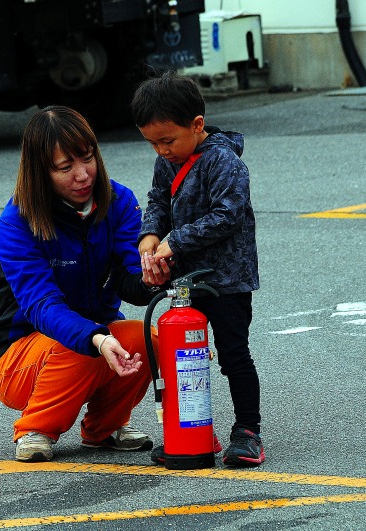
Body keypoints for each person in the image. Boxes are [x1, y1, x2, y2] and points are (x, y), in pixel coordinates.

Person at [0, 105, 170, 463]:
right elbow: (42, 306)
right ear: (40, 172)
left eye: (88, 158)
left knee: (149, 339)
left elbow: (129, 280)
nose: (83, 175)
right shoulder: (15, 224)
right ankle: (35, 428)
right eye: (65, 167)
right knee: (80, 342)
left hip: (93, 337)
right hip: (15, 352)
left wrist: (153, 275)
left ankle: (105, 427)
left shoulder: (119, 201)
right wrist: (97, 338)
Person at [131, 71, 264, 467]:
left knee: (233, 354)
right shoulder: (167, 161)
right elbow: (158, 200)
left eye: (167, 140)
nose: (161, 150)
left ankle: (248, 431)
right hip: (185, 282)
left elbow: (227, 215)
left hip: (226, 280)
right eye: (152, 143)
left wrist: (176, 241)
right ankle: (191, 429)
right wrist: (149, 236)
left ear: (197, 124)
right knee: (182, 356)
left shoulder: (224, 162)